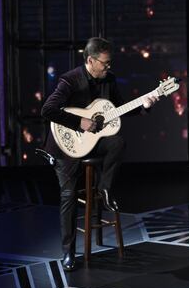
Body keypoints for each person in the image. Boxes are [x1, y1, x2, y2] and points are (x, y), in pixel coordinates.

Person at [41, 37, 158, 271]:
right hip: (67, 146)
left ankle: (104, 188)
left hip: (94, 142)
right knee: (69, 196)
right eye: (105, 63)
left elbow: (119, 109)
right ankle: (68, 253)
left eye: (110, 62)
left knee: (118, 142)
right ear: (91, 60)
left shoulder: (109, 80)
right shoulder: (70, 80)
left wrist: (145, 106)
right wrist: (80, 122)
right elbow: (48, 109)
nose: (108, 67)